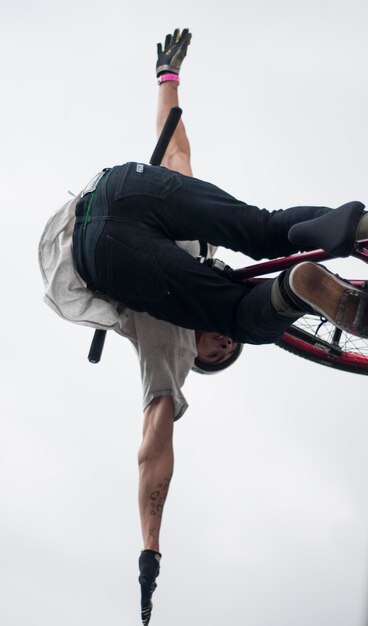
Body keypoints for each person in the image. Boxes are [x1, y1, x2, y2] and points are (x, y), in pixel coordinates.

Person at [39, 29, 368, 626]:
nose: (225, 344)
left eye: (219, 354)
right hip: (119, 187)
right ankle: (311, 274)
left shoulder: (167, 352)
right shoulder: (192, 286)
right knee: (257, 236)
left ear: (201, 360)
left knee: (258, 240)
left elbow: (152, 452)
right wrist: (166, 78)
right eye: (230, 349)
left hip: (104, 233)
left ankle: (350, 231)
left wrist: (148, 544)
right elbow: (176, 157)